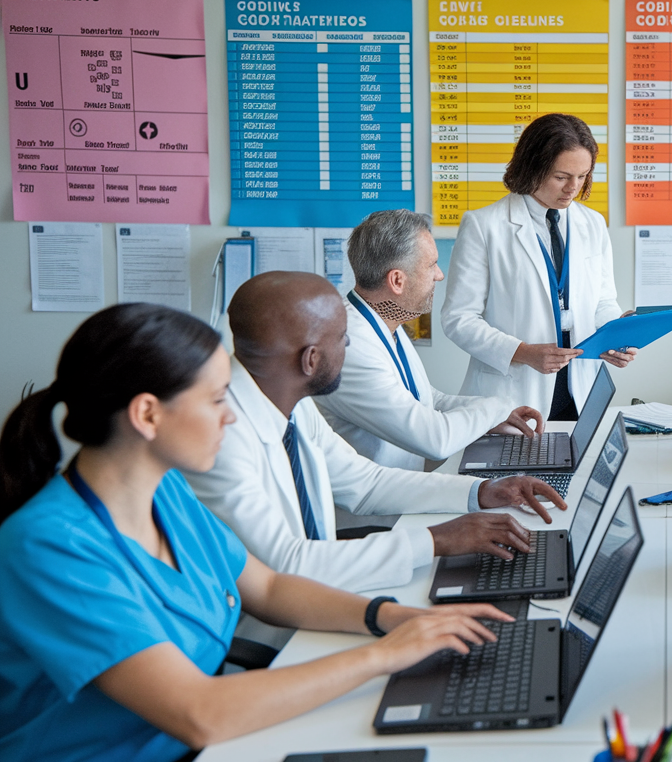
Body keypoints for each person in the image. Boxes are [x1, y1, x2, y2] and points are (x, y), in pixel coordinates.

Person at [0, 303, 508, 761]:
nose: (229, 417)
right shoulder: (49, 546)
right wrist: (385, 655)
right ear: (148, 414)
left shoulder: (166, 495)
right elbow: (198, 711)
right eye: (217, 399)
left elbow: (266, 587)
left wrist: (393, 618)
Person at [186, 272, 567, 596]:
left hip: (328, 586)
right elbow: (286, 565)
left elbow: (365, 484)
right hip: (278, 633)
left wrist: (481, 492)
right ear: (310, 360)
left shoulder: (287, 396)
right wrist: (436, 540)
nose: (349, 345)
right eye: (341, 338)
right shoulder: (220, 437)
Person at [314, 209, 543, 469]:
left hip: (404, 491)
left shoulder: (383, 319)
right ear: (397, 280)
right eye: (431, 264)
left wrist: (494, 417)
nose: (439, 274)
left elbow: (424, 398)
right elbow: (437, 440)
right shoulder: (349, 345)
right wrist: (498, 406)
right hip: (377, 505)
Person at [441, 112, 634, 420]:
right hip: (512, 394)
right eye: (561, 176)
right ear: (533, 168)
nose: (573, 187)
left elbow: (603, 301)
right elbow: (458, 318)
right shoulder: (484, 225)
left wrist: (615, 336)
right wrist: (522, 352)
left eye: (582, 176)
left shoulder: (593, 224)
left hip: (579, 389)